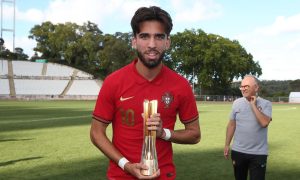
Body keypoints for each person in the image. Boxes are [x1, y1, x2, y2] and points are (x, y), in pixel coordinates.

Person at [90, 6, 201, 180]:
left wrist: (164, 133)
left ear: (167, 42)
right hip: (121, 176)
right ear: (134, 41)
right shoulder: (113, 82)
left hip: (163, 175)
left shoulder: (181, 85)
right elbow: (96, 133)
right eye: (144, 36)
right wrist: (126, 165)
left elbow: (195, 134)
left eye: (159, 36)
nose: (151, 44)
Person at [224, 75, 272, 180]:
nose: (243, 89)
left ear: (256, 88)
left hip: (258, 154)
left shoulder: (266, 104)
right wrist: (227, 144)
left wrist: (253, 105)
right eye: (242, 87)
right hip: (238, 152)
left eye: (246, 86)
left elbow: (264, 123)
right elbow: (232, 124)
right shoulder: (237, 103)